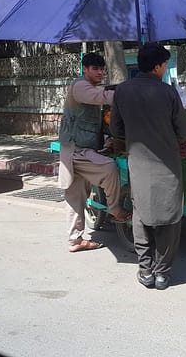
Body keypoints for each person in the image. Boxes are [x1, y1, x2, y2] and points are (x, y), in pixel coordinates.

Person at [110, 43, 186, 289]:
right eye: (165, 64)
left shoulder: (122, 91)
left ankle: (145, 270)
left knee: (141, 213)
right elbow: (184, 132)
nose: (165, 68)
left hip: (138, 162)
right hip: (167, 164)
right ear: (157, 66)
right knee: (169, 215)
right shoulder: (168, 92)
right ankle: (162, 273)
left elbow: (116, 129)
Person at [58, 52, 131, 253]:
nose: (100, 72)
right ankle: (115, 209)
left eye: (102, 69)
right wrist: (131, 92)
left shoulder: (91, 88)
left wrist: (107, 141)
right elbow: (102, 97)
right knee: (108, 168)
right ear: (85, 69)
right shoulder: (81, 86)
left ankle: (75, 241)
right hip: (76, 151)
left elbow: (96, 123)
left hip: (79, 150)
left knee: (76, 199)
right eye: (95, 69)